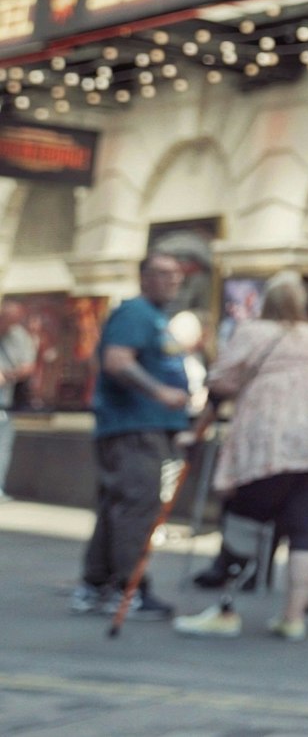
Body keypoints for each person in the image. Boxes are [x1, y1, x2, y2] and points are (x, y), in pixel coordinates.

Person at [173, 269, 308, 640]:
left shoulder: (253, 333)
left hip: (271, 440)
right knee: (304, 528)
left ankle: (226, 610)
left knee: (245, 521)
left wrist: (199, 429)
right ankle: (293, 617)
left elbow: (220, 381)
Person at [73, 252, 191, 618]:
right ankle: (128, 587)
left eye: (176, 275)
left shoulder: (153, 317)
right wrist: (160, 392)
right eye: (162, 273)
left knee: (118, 505)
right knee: (136, 506)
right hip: (133, 427)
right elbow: (117, 361)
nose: (172, 281)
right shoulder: (135, 313)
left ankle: (97, 584)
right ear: (144, 277)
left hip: (142, 425)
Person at [0, 298, 36, 500]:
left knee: (2, 445)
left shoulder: (19, 337)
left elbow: (27, 366)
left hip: (5, 400)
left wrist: (8, 375)